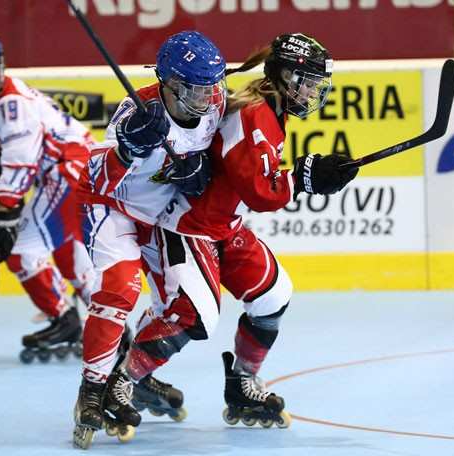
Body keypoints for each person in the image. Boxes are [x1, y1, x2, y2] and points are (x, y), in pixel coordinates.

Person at [120, 33, 358, 428]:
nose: (316, 91)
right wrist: (304, 178)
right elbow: (262, 193)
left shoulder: (267, 109)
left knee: (273, 294)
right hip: (189, 225)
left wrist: (307, 175)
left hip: (223, 226)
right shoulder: (255, 116)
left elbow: (255, 182)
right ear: (286, 77)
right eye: (310, 81)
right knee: (193, 314)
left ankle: (243, 382)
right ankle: (122, 380)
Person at [72, 31, 227, 449]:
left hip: (162, 216)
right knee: (121, 288)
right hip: (114, 208)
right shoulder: (135, 112)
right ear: (171, 84)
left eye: (215, 85)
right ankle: (91, 390)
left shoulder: (214, 105)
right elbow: (96, 176)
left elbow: (223, 151)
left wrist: (203, 174)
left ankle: (129, 373)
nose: (210, 97)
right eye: (198, 89)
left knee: (185, 310)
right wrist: (127, 148)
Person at [0, 30, 95, 363]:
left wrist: (4, 212)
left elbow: (21, 159)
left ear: (0, 65)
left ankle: (65, 320)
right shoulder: (0, 99)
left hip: (68, 170)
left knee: (19, 250)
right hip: (77, 169)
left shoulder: (11, 102)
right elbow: (2, 146)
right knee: (63, 250)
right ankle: (110, 322)